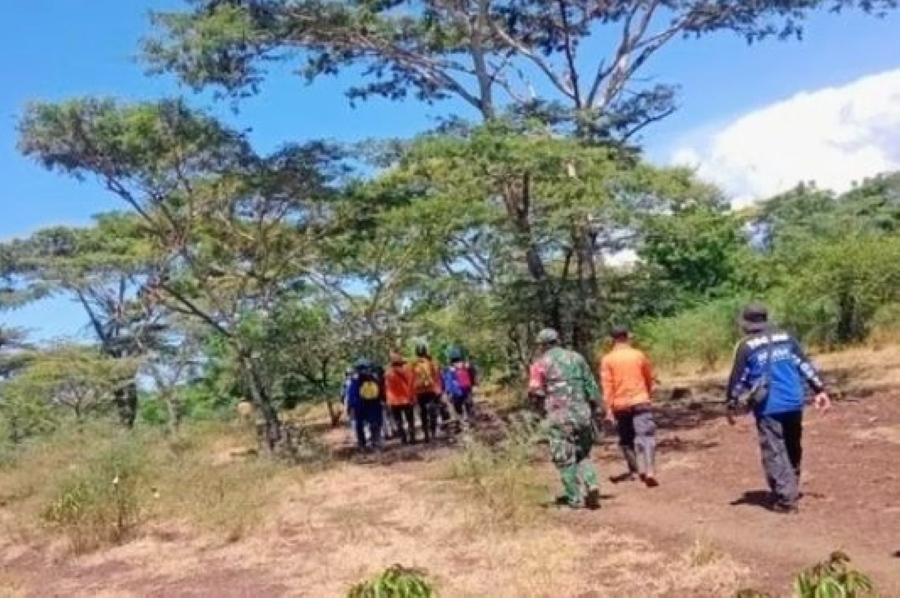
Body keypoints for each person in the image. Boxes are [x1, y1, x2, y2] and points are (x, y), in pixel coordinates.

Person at [726, 303, 831, 514]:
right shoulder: (786, 338)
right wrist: (820, 390)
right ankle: (790, 486)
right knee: (793, 446)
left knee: (774, 450)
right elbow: (804, 365)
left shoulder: (746, 346)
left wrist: (731, 403)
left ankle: (786, 499)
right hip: (794, 401)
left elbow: (739, 379)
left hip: (768, 406)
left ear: (746, 324)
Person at [528, 328, 603, 510]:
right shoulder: (577, 358)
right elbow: (591, 386)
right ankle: (591, 482)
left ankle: (574, 500)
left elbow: (535, 392)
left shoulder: (540, 364)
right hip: (582, 413)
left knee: (564, 458)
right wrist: (596, 408)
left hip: (558, 416)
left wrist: (537, 415)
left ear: (542, 344)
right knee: (583, 453)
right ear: (557, 340)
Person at [599, 326, 658, 487]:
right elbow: (648, 378)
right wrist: (648, 396)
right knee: (646, 436)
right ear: (627, 337)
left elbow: (607, 387)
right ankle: (650, 470)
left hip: (620, 404)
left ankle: (636, 471)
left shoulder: (607, 360)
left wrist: (608, 410)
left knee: (626, 439)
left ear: (612, 340)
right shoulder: (638, 355)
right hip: (640, 401)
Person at [346, 358, 385, 452]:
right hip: (373, 406)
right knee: (374, 424)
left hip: (361, 407)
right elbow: (381, 392)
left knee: (360, 426)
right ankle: (376, 444)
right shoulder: (374, 379)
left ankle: (362, 445)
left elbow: (351, 396)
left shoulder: (354, 381)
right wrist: (383, 402)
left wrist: (350, 407)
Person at [384, 351, 418, 444]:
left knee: (398, 420)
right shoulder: (408, 370)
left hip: (394, 401)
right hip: (407, 399)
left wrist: (388, 400)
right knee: (410, 419)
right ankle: (412, 438)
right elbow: (412, 385)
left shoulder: (387, 372)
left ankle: (403, 439)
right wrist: (413, 397)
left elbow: (387, 388)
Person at [412, 343, 443, 442]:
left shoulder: (413, 364)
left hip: (420, 392)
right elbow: (437, 376)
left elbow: (411, 380)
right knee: (432, 412)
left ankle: (427, 434)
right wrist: (439, 390)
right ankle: (432, 433)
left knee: (424, 413)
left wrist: (412, 394)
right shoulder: (431, 362)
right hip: (430, 390)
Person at [442, 346, 477, 427]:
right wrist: (474, 385)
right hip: (466, 389)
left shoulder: (450, 368)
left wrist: (447, 392)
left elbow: (447, 381)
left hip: (457, 392)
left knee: (459, 407)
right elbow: (472, 376)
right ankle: (469, 421)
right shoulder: (466, 366)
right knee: (468, 405)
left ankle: (461, 423)